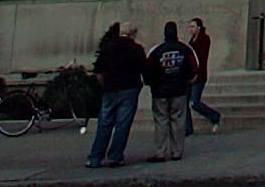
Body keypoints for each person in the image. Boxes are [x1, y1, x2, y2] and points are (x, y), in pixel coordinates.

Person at [84, 21, 146, 168]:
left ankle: (95, 157)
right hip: (129, 89)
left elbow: (98, 71)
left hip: (110, 89)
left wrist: (104, 85)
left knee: (104, 124)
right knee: (122, 125)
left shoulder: (107, 48)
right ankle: (115, 156)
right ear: (133, 34)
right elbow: (144, 69)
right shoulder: (136, 49)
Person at [144, 21, 197, 160]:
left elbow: (148, 70)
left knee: (161, 121)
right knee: (178, 121)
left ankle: (160, 152)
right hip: (179, 89)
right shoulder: (185, 49)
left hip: (160, 91)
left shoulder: (156, 50)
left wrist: (150, 84)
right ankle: (177, 152)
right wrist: (188, 80)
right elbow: (194, 67)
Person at [184, 16, 223, 132]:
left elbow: (200, 57)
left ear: (199, 28)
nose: (190, 29)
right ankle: (188, 128)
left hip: (199, 75)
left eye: (193, 26)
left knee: (194, 102)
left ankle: (214, 116)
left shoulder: (203, 39)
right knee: (185, 102)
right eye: (190, 27)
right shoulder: (192, 40)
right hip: (190, 75)